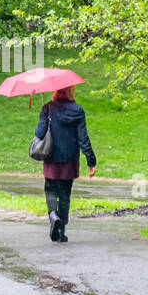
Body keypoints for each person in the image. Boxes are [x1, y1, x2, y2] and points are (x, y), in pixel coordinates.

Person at [34, 85, 96, 243]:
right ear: (70, 91)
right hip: (70, 160)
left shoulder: (47, 108)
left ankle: (53, 215)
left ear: (55, 91)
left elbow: (39, 133)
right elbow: (83, 138)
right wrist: (91, 161)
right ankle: (61, 232)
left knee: (50, 189)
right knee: (65, 194)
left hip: (51, 158)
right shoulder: (77, 110)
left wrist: (44, 116)